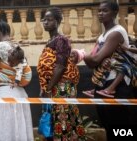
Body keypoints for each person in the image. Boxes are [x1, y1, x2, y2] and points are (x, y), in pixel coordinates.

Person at [83, 1, 137, 140]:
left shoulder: (116, 32)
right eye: (99, 11)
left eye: (105, 11)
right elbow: (92, 64)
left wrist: (83, 55)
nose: (100, 13)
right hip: (102, 84)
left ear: (114, 13)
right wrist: (93, 59)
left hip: (117, 85)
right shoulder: (101, 36)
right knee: (108, 126)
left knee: (121, 128)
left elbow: (94, 60)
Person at [0, 18, 34, 141]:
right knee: (18, 132)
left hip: (4, 95)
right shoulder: (17, 48)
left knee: (3, 132)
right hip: (20, 93)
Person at [37, 7, 86, 141]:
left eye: (49, 20)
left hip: (61, 88)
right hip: (53, 86)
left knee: (63, 121)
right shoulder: (50, 41)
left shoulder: (61, 40)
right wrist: (45, 87)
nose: (45, 22)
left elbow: (60, 66)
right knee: (53, 121)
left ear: (58, 21)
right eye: (44, 20)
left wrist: (48, 88)